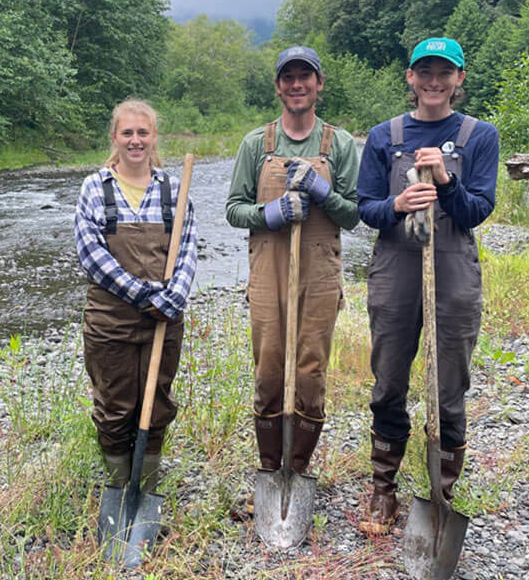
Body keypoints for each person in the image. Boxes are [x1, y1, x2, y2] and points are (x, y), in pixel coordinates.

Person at [356, 36, 499, 535]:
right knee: (389, 378)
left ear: (460, 79)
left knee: (450, 383)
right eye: (425, 72)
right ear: (410, 78)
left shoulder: (480, 136)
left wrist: (446, 183)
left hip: (454, 266)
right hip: (396, 267)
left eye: (445, 72)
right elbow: (365, 207)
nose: (434, 81)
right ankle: (383, 487)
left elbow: (479, 209)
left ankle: (442, 493)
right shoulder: (384, 136)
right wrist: (396, 206)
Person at [225, 46, 359, 480]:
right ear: (278, 86)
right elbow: (233, 209)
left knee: (310, 370)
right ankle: (269, 468)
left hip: (319, 271)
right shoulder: (255, 144)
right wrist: (268, 214)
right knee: (267, 368)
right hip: (268, 269)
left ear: (319, 84)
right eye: (288, 77)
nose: (297, 85)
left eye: (306, 76)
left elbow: (355, 215)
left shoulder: (337, 144)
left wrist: (324, 193)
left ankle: (297, 469)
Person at [74, 99, 197, 494]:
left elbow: (188, 247)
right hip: (110, 322)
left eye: (143, 132)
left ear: (154, 137)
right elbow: (91, 255)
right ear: (114, 137)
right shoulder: (95, 188)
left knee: (157, 403)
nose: (135, 140)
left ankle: (144, 491)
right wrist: (145, 294)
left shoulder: (173, 190)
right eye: (127, 132)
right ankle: (117, 488)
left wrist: (173, 297)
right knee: (115, 408)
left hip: (163, 321)